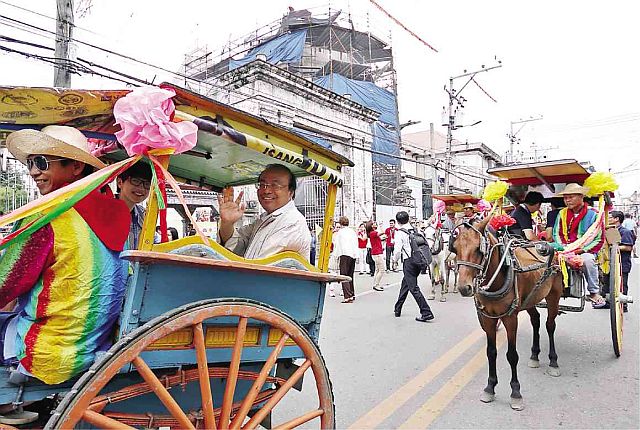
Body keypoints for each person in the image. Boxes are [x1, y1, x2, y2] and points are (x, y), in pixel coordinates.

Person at [0, 127, 130, 404]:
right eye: (31, 163)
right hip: (96, 346)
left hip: (46, 351)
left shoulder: (48, 214)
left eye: (42, 163)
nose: (34, 172)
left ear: (76, 167)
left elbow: (5, 284)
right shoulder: (119, 211)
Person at [217, 164, 310, 260]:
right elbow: (237, 246)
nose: (266, 190)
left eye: (275, 185)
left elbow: (259, 266)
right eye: (262, 185)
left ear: (291, 192)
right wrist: (227, 223)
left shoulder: (292, 222)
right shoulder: (263, 220)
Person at [551, 183, 606, 307]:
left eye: (571, 197)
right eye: (565, 198)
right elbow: (556, 233)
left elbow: (598, 238)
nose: (567, 200)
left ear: (581, 196)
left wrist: (581, 250)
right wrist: (564, 248)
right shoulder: (562, 213)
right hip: (564, 248)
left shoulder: (594, 214)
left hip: (585, 250)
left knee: (588, 261)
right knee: (544, 254)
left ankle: (593, 292)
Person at [392, 211, 434, 322]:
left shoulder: (400, 233)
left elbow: (397, 251)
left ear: (397, 221)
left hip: (409, 262)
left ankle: (426, 312)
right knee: (406, 283)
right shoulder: (415, 229)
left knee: (413, 288)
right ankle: (398, 308)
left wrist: (394, 261)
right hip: (419, 260)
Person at [116, 161, 152, 248]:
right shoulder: (103, 209)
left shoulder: (145, 215)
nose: (141, 188)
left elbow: (153, 242)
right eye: (135, 181)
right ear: (120, 182)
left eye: (147, 184)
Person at [610, 211, 634, 312]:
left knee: (622, 284)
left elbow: (628, 247)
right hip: (612, 262)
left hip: (622, 262)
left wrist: (615, 248)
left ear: (617, 219)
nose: (609, 219)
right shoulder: (611, 231)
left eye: (611, 217)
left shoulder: (625, 232)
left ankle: (623, 305)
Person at [332, 216, 359, 303]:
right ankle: (352, 293)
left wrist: (335, 255)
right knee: (350, 275)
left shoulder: (340, 232)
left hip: (344, 254)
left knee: (344, 275)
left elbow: (337, 244)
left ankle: (347, 296)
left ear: (340, 223)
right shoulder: (352, 231)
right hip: (352, 254)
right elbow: (356, 243)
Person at [366, 220, 386, 291]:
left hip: (376, 252)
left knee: (377, 270)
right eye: (374, 224)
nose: (375, 224)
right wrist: (381, 226)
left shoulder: (372, 233)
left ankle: (375, 283)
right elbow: (383, 232)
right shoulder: (373, 233)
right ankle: (376, 284)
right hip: (377, 253)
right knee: (381, 270)